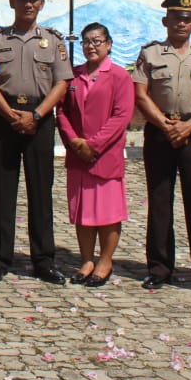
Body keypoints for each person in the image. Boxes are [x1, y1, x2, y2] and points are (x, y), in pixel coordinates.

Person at [0, 0, 72, 285]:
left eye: (33, 0)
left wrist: (35, 114)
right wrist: (10, 114)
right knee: (3, 191)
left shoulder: (54, 41)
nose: (28, 4)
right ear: (12, 2)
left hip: (40, 120)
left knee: (40, 191)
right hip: (5, 118)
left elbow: (61, 83)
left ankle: (44, 260)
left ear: (41, 4)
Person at [132, 0, 191, 294]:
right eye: (176, 18)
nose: (181, 24)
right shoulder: (150, 54)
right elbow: (141, 94)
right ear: (165, 21)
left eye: (187, 19)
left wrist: (190, 125)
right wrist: (164, 124)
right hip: (160, 132)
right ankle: (159, 268)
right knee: (159, 201)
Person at [56, 22, 133, 288]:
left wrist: (94, 144)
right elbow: (62, 111)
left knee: (108, 213)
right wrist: (74, 141)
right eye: (86, 41)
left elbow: (121, 116)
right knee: (83, 211)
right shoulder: (74, 76)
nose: (91, 46)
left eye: (97, 41)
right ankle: (86, 259)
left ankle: (105, 260)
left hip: (105, 155)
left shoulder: (119, 76)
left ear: (108, 44)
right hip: (79, 155)